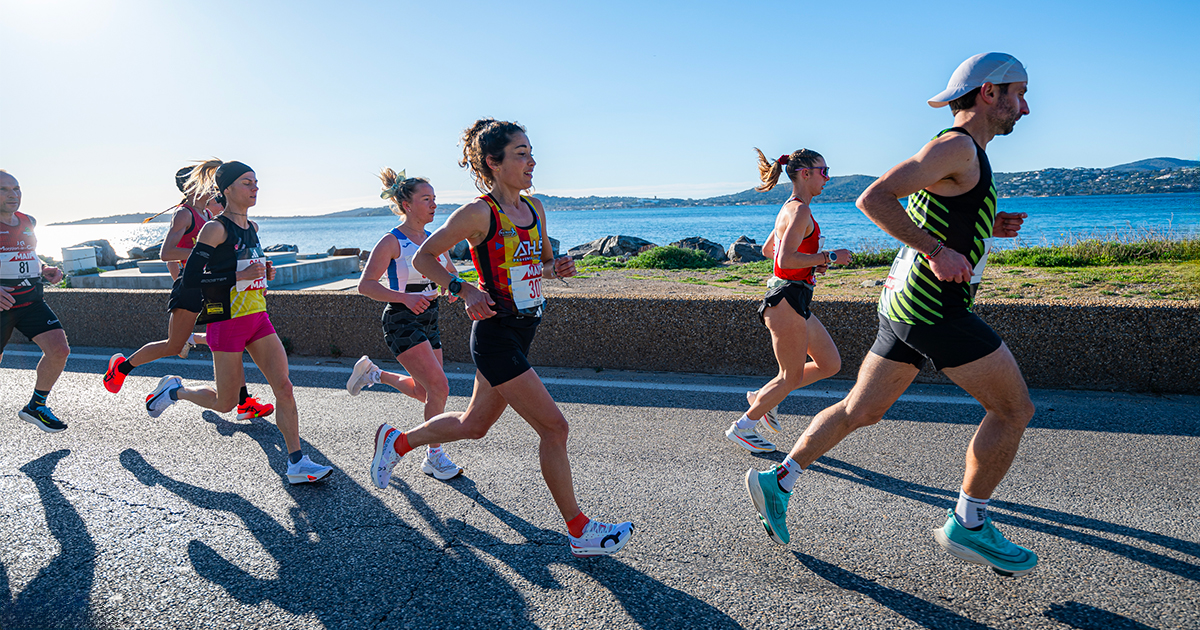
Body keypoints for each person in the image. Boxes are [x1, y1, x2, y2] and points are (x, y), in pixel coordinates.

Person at [744, 52, 1037, 577]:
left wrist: (985, 227)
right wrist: (937, 251)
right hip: (933, 308)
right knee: (1014, 411)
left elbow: (935, 211)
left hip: (904, 303)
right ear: (988, 93)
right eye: (1018, 93)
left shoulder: (965, 154)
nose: (1026, 107)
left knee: (861, 409)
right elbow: (875, 198)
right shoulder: (956, 146)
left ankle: (778, 479)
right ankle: (968, 524)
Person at [368, 118, 634, 557]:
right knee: (555, 427)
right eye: (521, 153)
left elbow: (542, 263)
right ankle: (580, 530)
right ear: (493, 162)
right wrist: (463, 288)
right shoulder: (478, 213)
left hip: (524, 329)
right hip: (494, 334)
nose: (532, 161)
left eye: (530, 152)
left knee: (474, 425)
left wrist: (557, 269)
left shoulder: (535, 208)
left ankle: (398, 442)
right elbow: (425, 255)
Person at [143, 160, 332, 484]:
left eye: (256, 181)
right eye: (247, 182)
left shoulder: (252, 228)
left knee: (284, 387)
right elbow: (190, 277)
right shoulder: (215, 228)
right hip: (226, 318)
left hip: (258, 317)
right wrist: (238, 275)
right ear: (227, 189)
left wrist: (263, 272)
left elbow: (246, 267)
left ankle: (297, 463)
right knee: (225, 403)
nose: (255, 187)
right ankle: (176, 391)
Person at [103, 163, 274, 421]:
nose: (214, 187)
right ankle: (122, 367)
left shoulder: (209, 214)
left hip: (216, 285)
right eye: (208, 181)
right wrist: (213, 255)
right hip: (192, 285)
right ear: (193, 186)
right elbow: (166, 253)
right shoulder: (184, 215)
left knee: (232, 341)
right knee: (174, 344)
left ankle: (243, 402)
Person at [725, 149, 851, 453]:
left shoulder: (792, 208)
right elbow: (783, 258)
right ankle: (743, 427)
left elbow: (769, 250)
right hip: (785, 300)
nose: (828, 177)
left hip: (794, 297)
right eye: (824, 171)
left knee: (829, 363)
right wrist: (830, 257)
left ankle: (762, 397)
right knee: (790, 375)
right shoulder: (799, 211)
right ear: (805, 174)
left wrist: (810, 263)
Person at [346, 168, 463, 481]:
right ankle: (433, 455)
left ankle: (374, 373)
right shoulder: (391, 241)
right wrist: (403, 298)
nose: (434, 204)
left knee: (428, 393)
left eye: (435, 199)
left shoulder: (435, 241)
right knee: (440, 387)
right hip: (401, 318)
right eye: (426, 199)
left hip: (430, 316)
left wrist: (458, 290)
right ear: (407, 205)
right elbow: (366, 285)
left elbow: (451, 276)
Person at [0, 170, 70, 432]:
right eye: (4, 190)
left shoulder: (27, 220)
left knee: (59, 350)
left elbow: (27, 253)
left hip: (30, 301)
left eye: (16, 189)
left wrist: (44, 268)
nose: (13, 194)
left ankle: (36, 406)